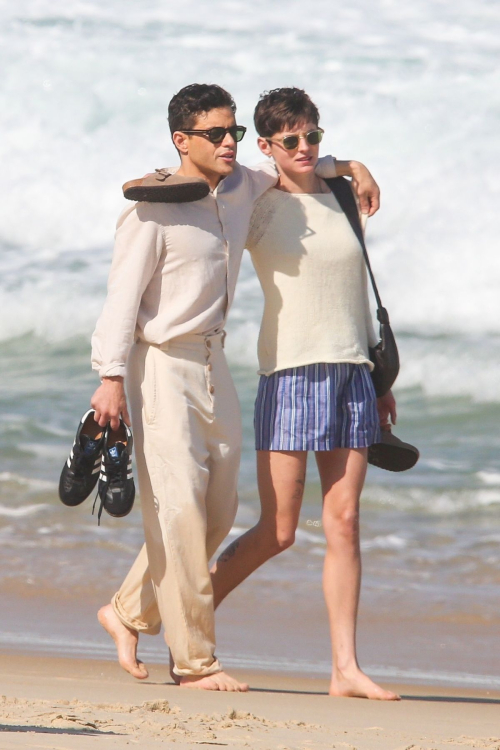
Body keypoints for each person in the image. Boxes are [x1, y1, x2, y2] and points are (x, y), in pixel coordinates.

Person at [90, 83, 381, 691]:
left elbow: (299, 160)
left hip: (213, 360)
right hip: (160, 361)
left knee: (217, 512)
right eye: (217, 134)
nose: (229, 142)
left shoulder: (243, 188)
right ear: (182, 141)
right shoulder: (152, 207)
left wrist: (353, 165)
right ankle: (195, 661)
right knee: (179, 509)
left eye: (234, 133)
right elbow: (120, 300)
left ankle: (125, 613)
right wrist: (109, 377)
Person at [209, 88, 400, 700]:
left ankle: (345, 669)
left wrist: (379, 382)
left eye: (312, 135)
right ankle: (180, 620)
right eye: (289, 139)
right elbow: (216, 178)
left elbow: (354, 292)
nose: (305, 147)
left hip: (351, 374)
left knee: (344, 522)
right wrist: (346, 161)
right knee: (279, 530)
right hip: (289, 373)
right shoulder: (257, 199)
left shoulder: (342, 195)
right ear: (266, 145)